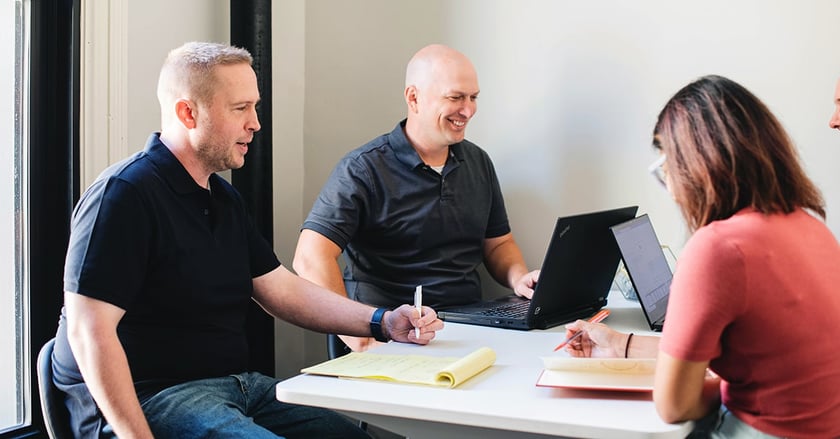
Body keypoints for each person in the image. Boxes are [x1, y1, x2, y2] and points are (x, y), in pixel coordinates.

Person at [51, 41, 443, 439]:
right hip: (158, 396)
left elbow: (282, 290)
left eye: (254, 107)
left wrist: (383, 322)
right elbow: (89, 331)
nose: (255, 123)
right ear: (188, 112)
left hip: (237, 386)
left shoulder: (222, 198)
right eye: (241, 108)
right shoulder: (124, 194)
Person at [565, 75, 840, 438]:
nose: (667, 178)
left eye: (667, 160)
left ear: (697, 160)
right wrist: (620, 343)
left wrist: (708, 388)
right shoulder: (810, 226)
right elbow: (755, 358)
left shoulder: (719, 247)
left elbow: (673, 406)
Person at [292, 44, 539, 352]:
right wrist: (363, 340)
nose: (468, 110)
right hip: (393, 335)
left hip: (468, 329)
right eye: (455, 97)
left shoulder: (478, 162)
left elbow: (499, 243)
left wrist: (518, 278)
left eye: (473, 97)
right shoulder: (363, 168)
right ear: (413, 98)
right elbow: (309, 257)